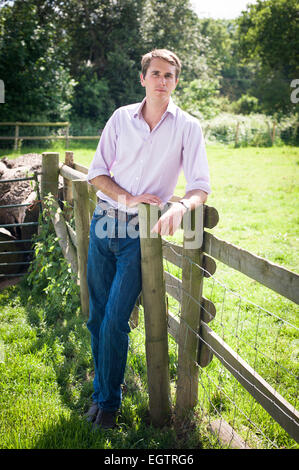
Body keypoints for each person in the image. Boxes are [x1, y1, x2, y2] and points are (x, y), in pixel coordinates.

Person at [85, 49, 211, 430]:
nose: (162, 81)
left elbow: (200, 186)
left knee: (114, 321)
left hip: (137, 236)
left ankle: (107, 404)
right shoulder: (121, 119)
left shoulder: (188, 127)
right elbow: (96, 174)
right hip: (104, 223)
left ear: (176, 81)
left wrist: (180, 208)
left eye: (169, 75)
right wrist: (127, 197)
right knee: (95, 318)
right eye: (155, 73)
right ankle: (101, 390)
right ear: (143, 78)